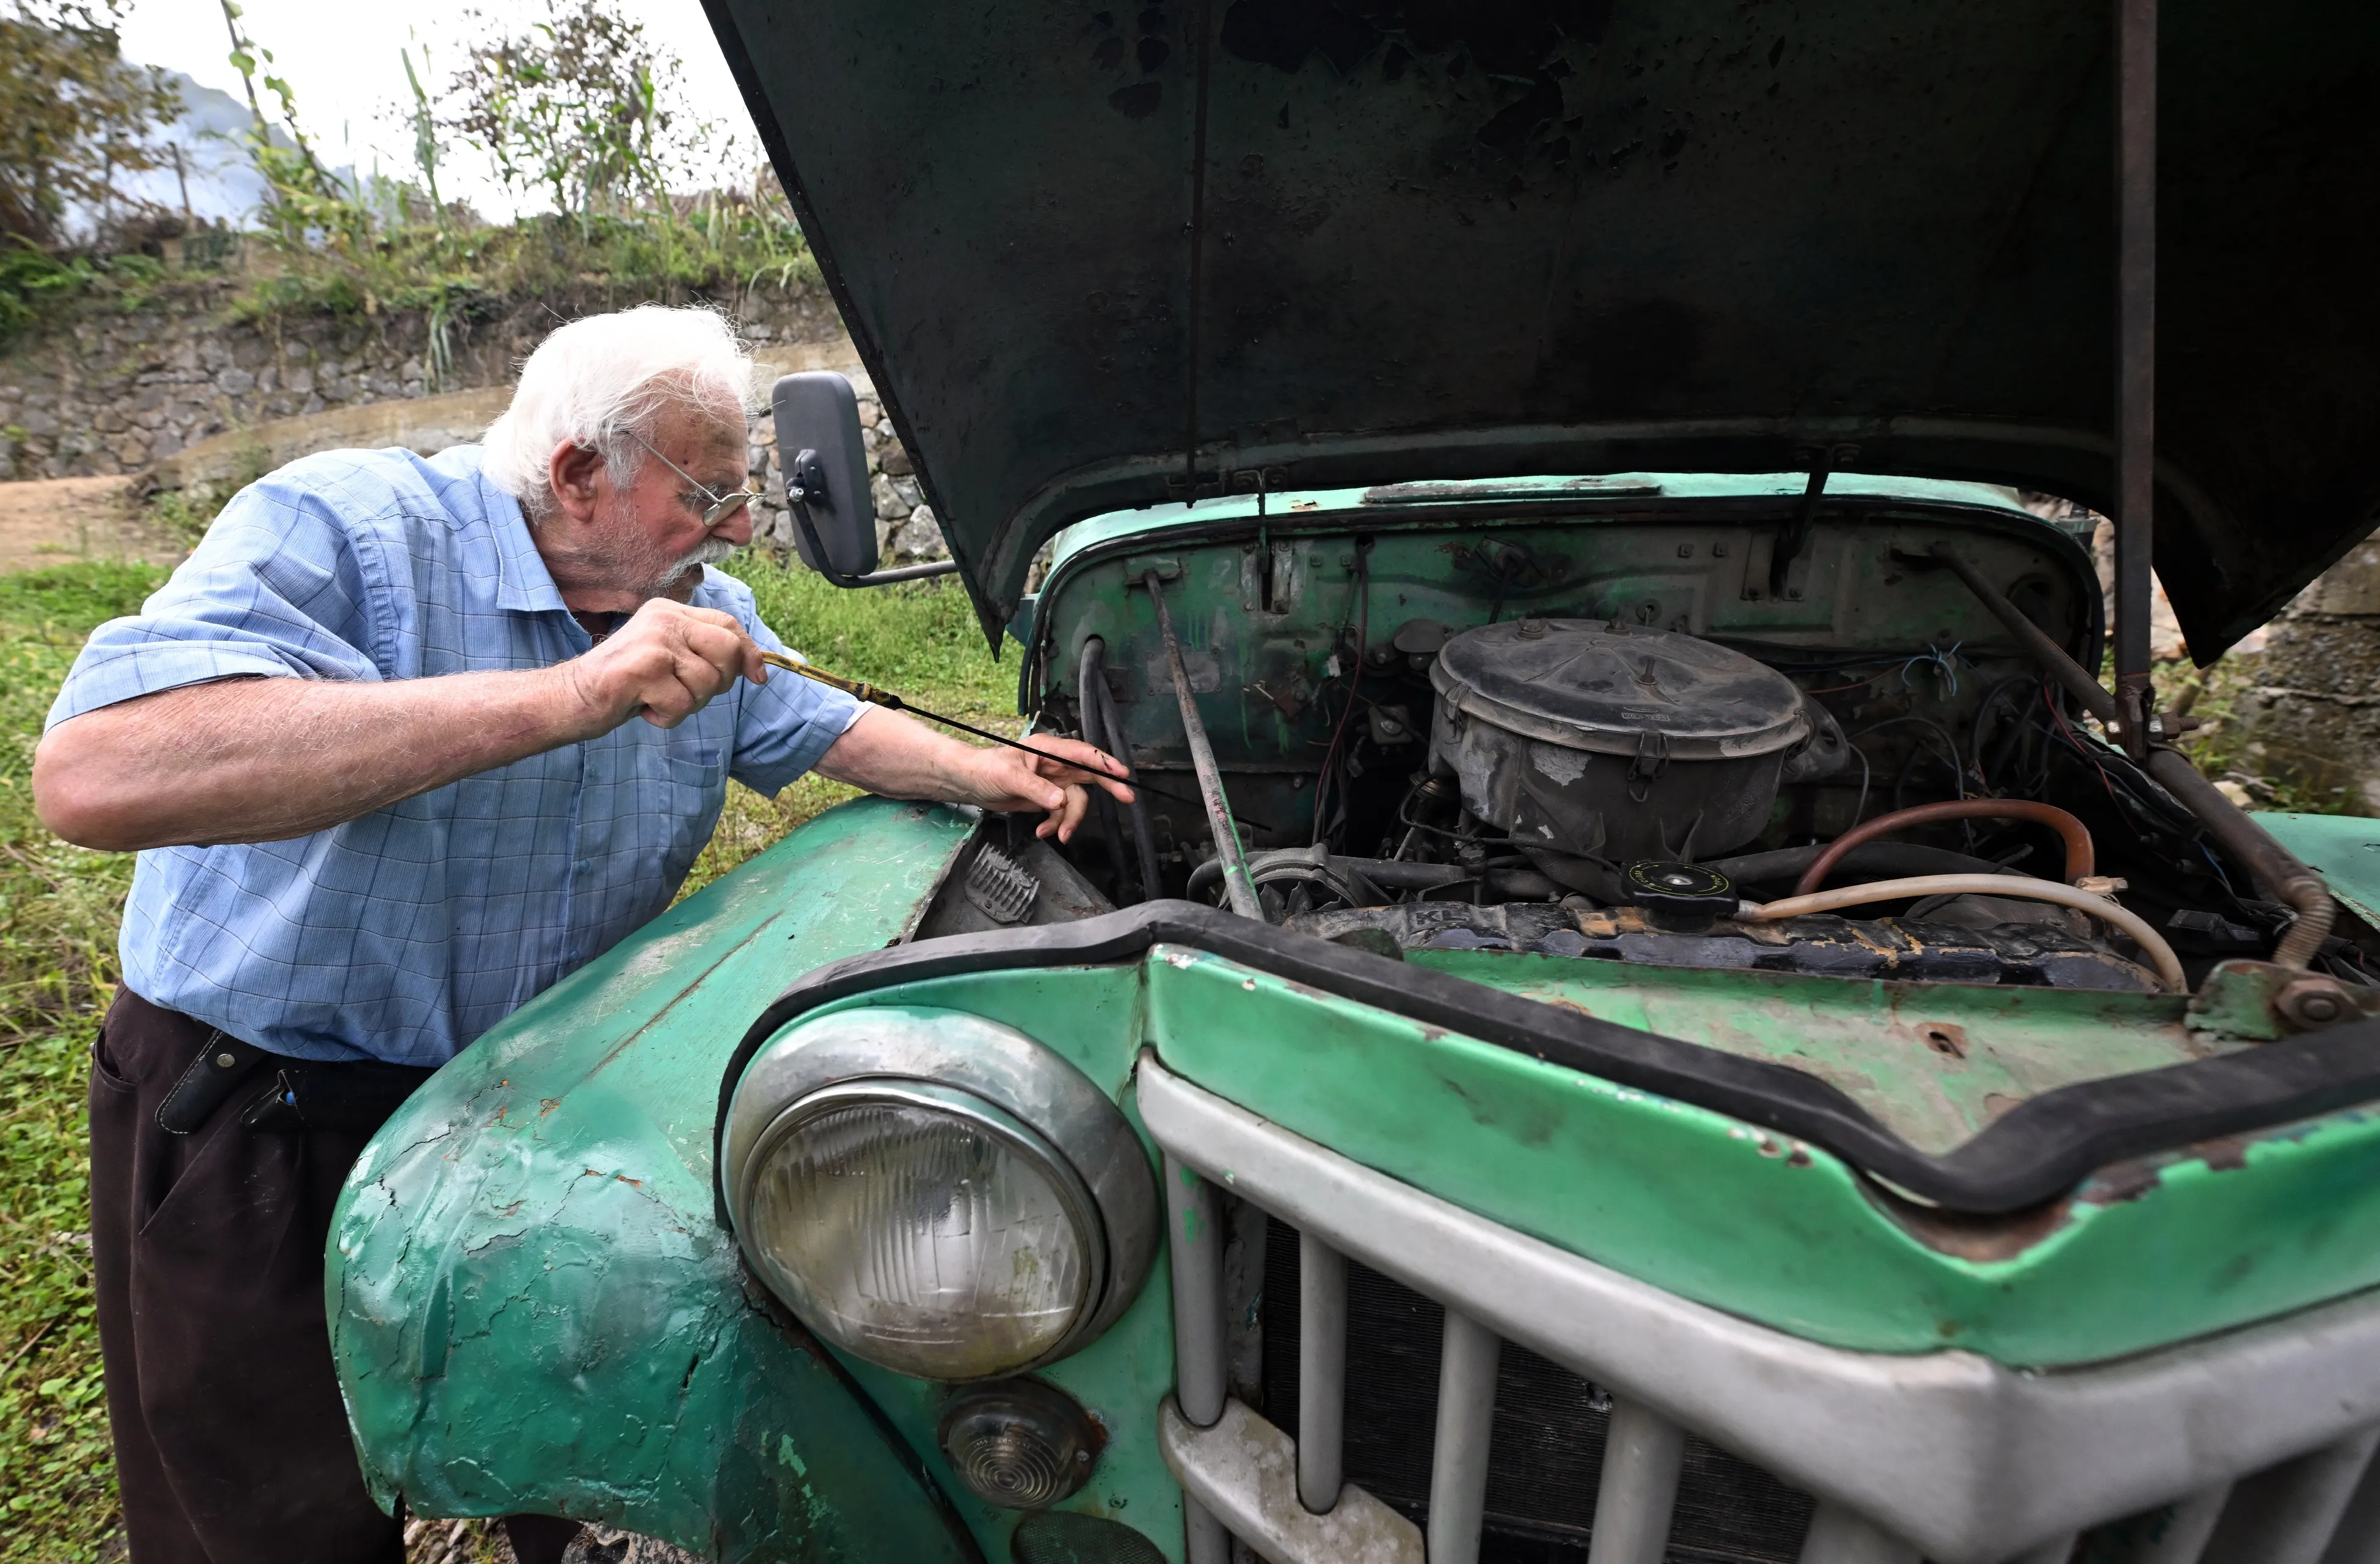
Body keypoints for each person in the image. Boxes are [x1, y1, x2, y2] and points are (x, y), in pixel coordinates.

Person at [31, 304, 1132, 1564]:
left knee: (582, 1454)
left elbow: (822, 719)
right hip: (259, 1113)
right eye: (708, 493)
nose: (735, 528)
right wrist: (572, 696)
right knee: (267, 1503)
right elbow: (96, 774)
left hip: (529, 1106)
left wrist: (988, 764)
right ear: (576, 472)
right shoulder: (351, 525)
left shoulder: (693, 600)